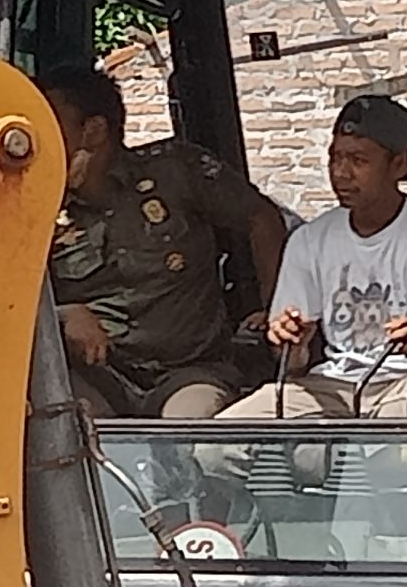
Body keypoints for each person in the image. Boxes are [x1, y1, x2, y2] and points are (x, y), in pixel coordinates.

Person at [38, 64, 289, 419]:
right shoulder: (30, 204)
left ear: (93, 131)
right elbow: (0, 297)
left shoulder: (176, 172)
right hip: (96, 375)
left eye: (51, 124)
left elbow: (261, 217)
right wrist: (64, 315)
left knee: (190, 433)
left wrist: (275, 307)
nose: (37, 137)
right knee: (65, 431)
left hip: (188, 371)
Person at [225, 94, 407, 422]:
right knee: (223, 437)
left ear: (398, 164)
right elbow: (291, 363)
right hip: (331, 385)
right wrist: (291, 343)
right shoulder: (309, 240)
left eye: (358, 161)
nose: (341, 173)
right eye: (335, 158)